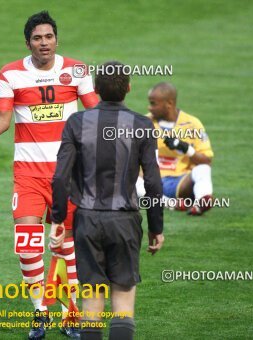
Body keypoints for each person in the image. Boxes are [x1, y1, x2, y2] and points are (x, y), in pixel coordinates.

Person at [0, 10, 99, 340]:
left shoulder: (76, 70)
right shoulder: (11, 75)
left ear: (56, 39)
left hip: (69, 175)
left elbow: (96, 111)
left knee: (66, 248)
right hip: (28, 175)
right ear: (27, 42)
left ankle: (70, 314)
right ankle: (39, 312)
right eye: (37, 38)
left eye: (48, 37)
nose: (43, 43)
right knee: (28, 245)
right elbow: (2, 119)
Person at [51, 61, 164, 340]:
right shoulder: (141, 125)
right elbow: (152, 183)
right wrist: (156, 228)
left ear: (97, 89)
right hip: (124, 222)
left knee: (91, 299)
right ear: (128, 88)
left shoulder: (77, 123)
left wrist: (57, 219)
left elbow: (60, 179)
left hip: (87, 221)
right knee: (123, 302)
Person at [135, 82, 214, 215]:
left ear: (169, 104)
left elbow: (206, 161)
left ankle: (202, 203)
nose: (149, 108)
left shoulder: (192, 124)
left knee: (203, 169)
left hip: (180, 182)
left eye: (153, 103)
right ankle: (170, 204)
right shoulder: (143, 123)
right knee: (128, 177)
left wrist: (186, 148)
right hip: (151, 183)